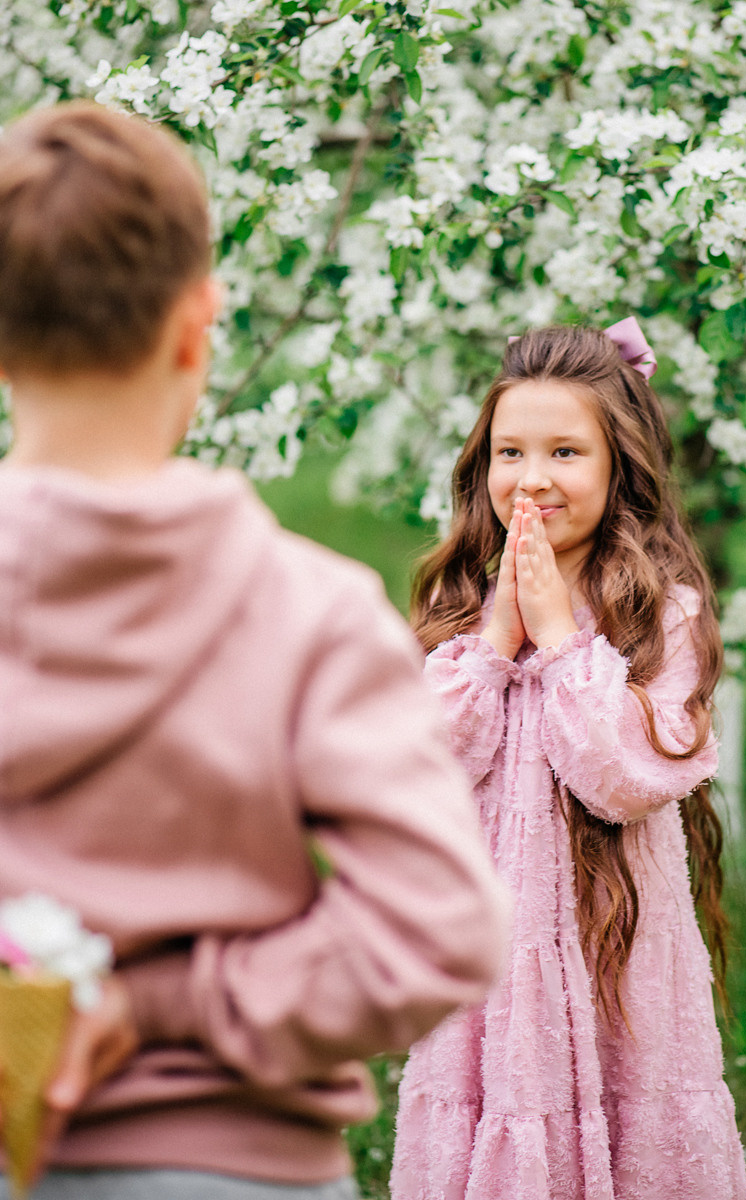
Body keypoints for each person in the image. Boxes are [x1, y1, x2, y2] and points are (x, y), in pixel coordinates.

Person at [0, 101, 509, 1200]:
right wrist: (156, 1004)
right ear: (200, 323)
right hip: (235, 1166)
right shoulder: (310, 614)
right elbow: (436, 929)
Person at [390, 320, 746, 1199]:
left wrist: (559, 641)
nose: (533, 478)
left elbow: (624, 777)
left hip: (614, 962)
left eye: (565, 452)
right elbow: (412, 768)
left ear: (619, 465)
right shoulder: (462, 605)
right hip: (486, 969)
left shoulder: (662, 613)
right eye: (510, 452)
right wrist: (494, 642)